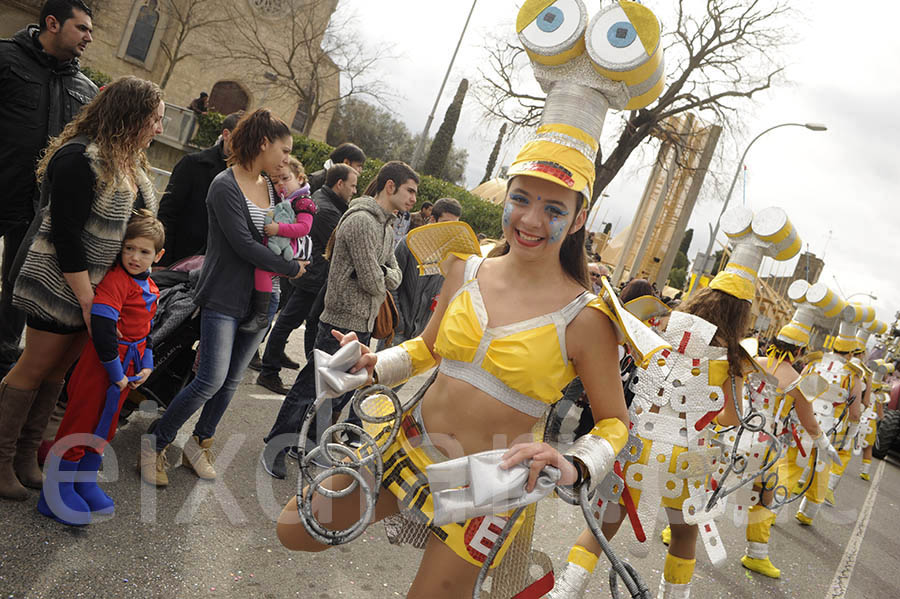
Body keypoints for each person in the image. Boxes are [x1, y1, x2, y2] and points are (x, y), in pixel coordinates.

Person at [0, 76, 164, 501]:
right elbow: (66, 236)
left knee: (57, 373)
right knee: (33, 368)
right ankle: (0, 460)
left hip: (97, 291)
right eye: (155, 119)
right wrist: (89, 301)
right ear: (131, 116)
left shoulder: (129, 160)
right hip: (59, 284)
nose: (159, 129)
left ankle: (25, 457)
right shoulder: (79, 157)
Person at [139, 109, 305, 487]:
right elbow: (245, 245)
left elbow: (284, 234)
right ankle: (156, 441)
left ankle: (200, 443)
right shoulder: (223, 185)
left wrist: (292, 254)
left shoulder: (271, 186)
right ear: (263, 143)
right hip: (224, 295)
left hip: (266, 298)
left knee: (230, 382)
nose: (286, 157)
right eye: (284, 148)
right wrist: (292, 269)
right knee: (209, 379)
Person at [260, 161, 414, 479]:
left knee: (338, 391)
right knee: (310, 387)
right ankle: (274, 446)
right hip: (339, 318)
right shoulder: (362, 222)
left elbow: (391, 274)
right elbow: (375, 281)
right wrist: (384, 273)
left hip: (364, 321)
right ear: (390, 186)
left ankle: (314, 447)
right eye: (410, 191)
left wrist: (383, 272)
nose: (413, 198)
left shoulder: (386, 224)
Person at [37, 210, 165, 526]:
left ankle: (82, 481)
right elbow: (104, 329)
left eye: (144, 251)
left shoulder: (151, 287)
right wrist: (115, 372)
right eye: (129, 248)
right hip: (102, 367)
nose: (135, 257)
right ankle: (53, 492)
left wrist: (146, 366)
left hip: (127, 369)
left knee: (104, 426)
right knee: (80, 422)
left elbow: (146, 332)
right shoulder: (116, 282)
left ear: (158, 255)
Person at [0, 0, 99, 379]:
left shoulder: (85, 89)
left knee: (16, 289)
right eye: (82, 28)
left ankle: (2, 363)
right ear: (53, 23)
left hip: (38, 208)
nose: (88, 37)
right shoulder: (5, 58)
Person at [254, 163, 358, 394]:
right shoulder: (328, 209)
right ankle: (270, 371)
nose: (354, 191)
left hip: (314, 275)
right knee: (287, 322)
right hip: (313, 276)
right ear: (339, 183)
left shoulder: (327, 202)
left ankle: (310, 376)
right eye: (352, 186)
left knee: (304, 325)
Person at [239, 156, 316, 333]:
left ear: (300, 178)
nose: (281, 184)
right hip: (284, 248)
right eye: (275, 181)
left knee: (262, 270)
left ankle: (261, 315)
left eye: (286, 178)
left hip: (294, 251)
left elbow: (304, 227)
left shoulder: (304, 201)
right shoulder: (286, 201)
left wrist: (277, 228)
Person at [157, 111, 243, 266]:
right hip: (179, 260)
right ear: (226, 135)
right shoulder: (192, 164)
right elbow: (167, 214)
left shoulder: (251, 178)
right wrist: (161, 262)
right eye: (243, 138)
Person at [386, 198, 462, 350]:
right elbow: (390, 284)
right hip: (397, 332)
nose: (450, 229)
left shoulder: (453, 256)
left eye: (454, 224)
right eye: (446, 223)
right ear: (432, 220)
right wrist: (398, 322)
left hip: (422, 338)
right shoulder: (409, 242)